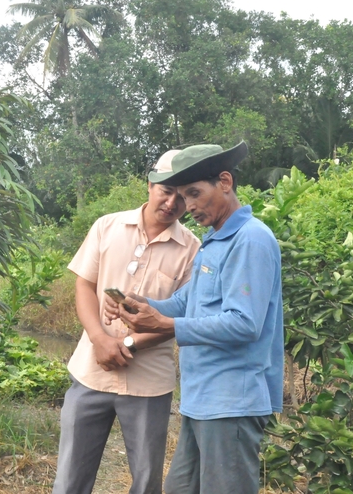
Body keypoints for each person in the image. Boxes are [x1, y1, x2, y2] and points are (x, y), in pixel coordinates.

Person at [108, 141, 284, 494]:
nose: (188, 207)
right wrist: (142, 306)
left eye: (193, 193)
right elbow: (186, 301)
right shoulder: (215, 240)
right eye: (182, 197)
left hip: (231, 401)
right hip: (201, 400)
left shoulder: (250, 240)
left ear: (224, 181)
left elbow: (244, 323)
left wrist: (166, 326)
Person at [51, 150, 201, 494]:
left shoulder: (194, 251)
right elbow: (84, 284)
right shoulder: (108, 226)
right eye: (165, 190)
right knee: (69, 478)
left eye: (182, 195)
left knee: (146, 481)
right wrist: (98, 338)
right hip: (91, 371)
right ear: (150, 185)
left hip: (148, 384)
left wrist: (128, 343)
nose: (171, 202)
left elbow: (178, 315)